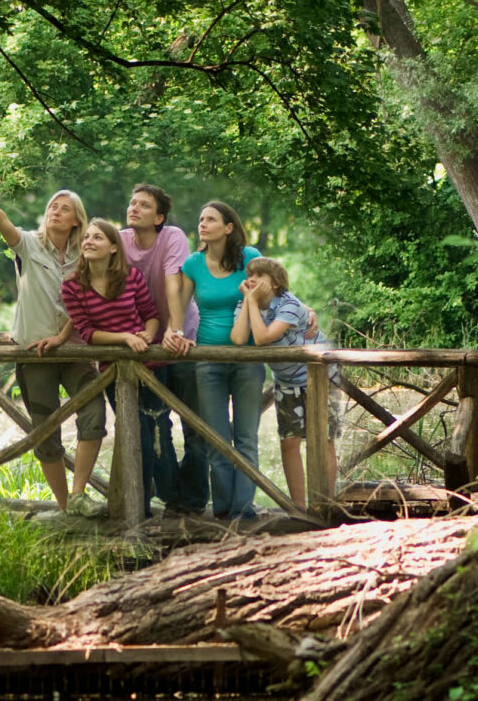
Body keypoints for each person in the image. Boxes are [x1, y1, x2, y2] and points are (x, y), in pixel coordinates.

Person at [0, 177, 88, 509]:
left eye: (65, 209)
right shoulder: (29, 244)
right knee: (45, 435)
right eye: (53, 206)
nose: (56, 211)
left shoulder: (85, 254)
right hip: (35, 353)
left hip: (78, 350)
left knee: (93, 416)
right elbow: (3, 222)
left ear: (76, 219)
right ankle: (66, 508)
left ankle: (80, 496)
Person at [41, 219, 162, 518]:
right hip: (112, 371)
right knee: (131, 434)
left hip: (149, 365)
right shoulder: (72, 286)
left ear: (112, 247)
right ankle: (135, 508)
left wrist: (147, 333)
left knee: (158, 434)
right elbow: (87, 333)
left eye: (98, 238)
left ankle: (163, 499)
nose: (89, 241)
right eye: (87, 238)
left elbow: (151, 315)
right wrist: (124, 337)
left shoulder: (131, 276)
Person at [120, 182, 208, 515]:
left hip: (182, 338)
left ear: (159, 217)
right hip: (143, 346)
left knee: (194, 423)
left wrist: (174, 328)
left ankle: (195, 502)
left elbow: (174, 281)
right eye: (132, 202)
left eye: (143, 205)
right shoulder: (121, 241)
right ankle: (161, 497)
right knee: (152, 425)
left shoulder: (172, 236)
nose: (134, 208)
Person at [233, 257, 343, 507]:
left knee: (323, 439)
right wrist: (250, 302)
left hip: (321, 377)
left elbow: (262, 338)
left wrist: (250, 302)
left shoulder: (289, 305)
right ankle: (298, 508)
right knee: (289, 442)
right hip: (286, 381)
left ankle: (326, 505)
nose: (252, 280)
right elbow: (239, 338)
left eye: (260, 276)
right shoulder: (247, 303)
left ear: (274, 284)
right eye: (250, 275)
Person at [180, 200, 261, 520]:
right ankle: (223, 511)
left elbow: (275, 292)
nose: (202, 224)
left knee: (245, 438)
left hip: (248, 358)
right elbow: (181, 308)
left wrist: (303, 312)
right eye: (200, 219)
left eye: (211, 219)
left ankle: (245, 510)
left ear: (228, 227)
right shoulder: (192, 264)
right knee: (216, 439)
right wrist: (173, 332)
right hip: (208, 359)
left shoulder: (251, 257)